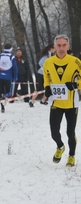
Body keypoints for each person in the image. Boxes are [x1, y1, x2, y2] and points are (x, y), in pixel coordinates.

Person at [43, 34, 81, 167]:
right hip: (56, 102)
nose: (61, 48)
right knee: (54, 132)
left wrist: (76, 85)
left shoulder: (76, 62)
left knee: (70, 132)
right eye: (59, 45)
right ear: (54, 47)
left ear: (68, 46)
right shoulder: (48, 62)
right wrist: (47, 87)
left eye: (64, 45)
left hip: (71, 103)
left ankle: (71, 156)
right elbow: (46, 77)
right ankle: (60, 147)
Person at [0, 43, 18, 113]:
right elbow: (15, 68)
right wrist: (15, 76)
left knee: (0, 92)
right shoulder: (12, 57)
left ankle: (2, 105)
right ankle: (5, 96)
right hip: (8, 77)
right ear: (11, 49)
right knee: (9, 92)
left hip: (0, 76)